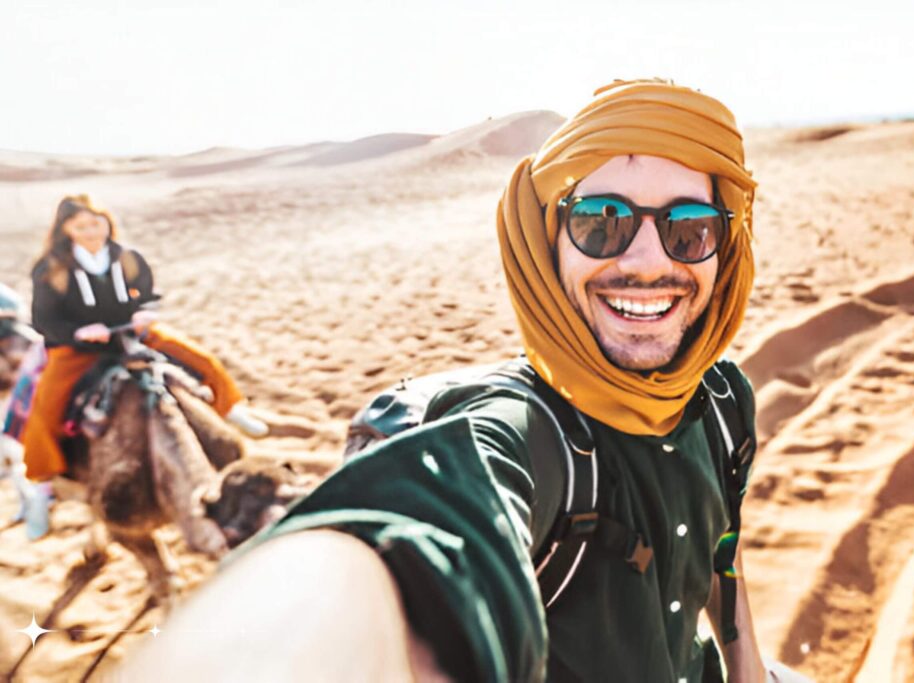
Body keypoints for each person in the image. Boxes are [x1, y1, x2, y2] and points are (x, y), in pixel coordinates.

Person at [123, 81, 805, 682]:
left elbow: (720, 551)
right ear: (548, 240)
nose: (648, 261)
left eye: (689, 229)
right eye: (603, 224)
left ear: (727, 248)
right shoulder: (525, 430)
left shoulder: (723, 400)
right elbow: (402, 541)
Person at [19, 194, 269, 540]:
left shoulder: (126, 257)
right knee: (45, 407)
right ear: (66, 230)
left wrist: (143, 311)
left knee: (200, 359)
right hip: (80, 349)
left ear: (107, 221)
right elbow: (44, 319)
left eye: (96, 223)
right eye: (81, 226)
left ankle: (231, 408)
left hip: (132, 335)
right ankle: (42, 488)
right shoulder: (51, 269)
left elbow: (148, 291)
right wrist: (79, 332)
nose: (91, 231)